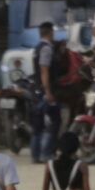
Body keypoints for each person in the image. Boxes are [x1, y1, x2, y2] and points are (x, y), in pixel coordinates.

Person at [31, 21, 66, 162]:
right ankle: (47, 153)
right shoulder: (47, 49)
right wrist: (48, 92)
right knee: (55, 121)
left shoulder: (37, 48)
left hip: (38, 90)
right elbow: (44, 71)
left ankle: (35, 155)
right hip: (46, 91)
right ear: (51, 33)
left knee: (38, 123)